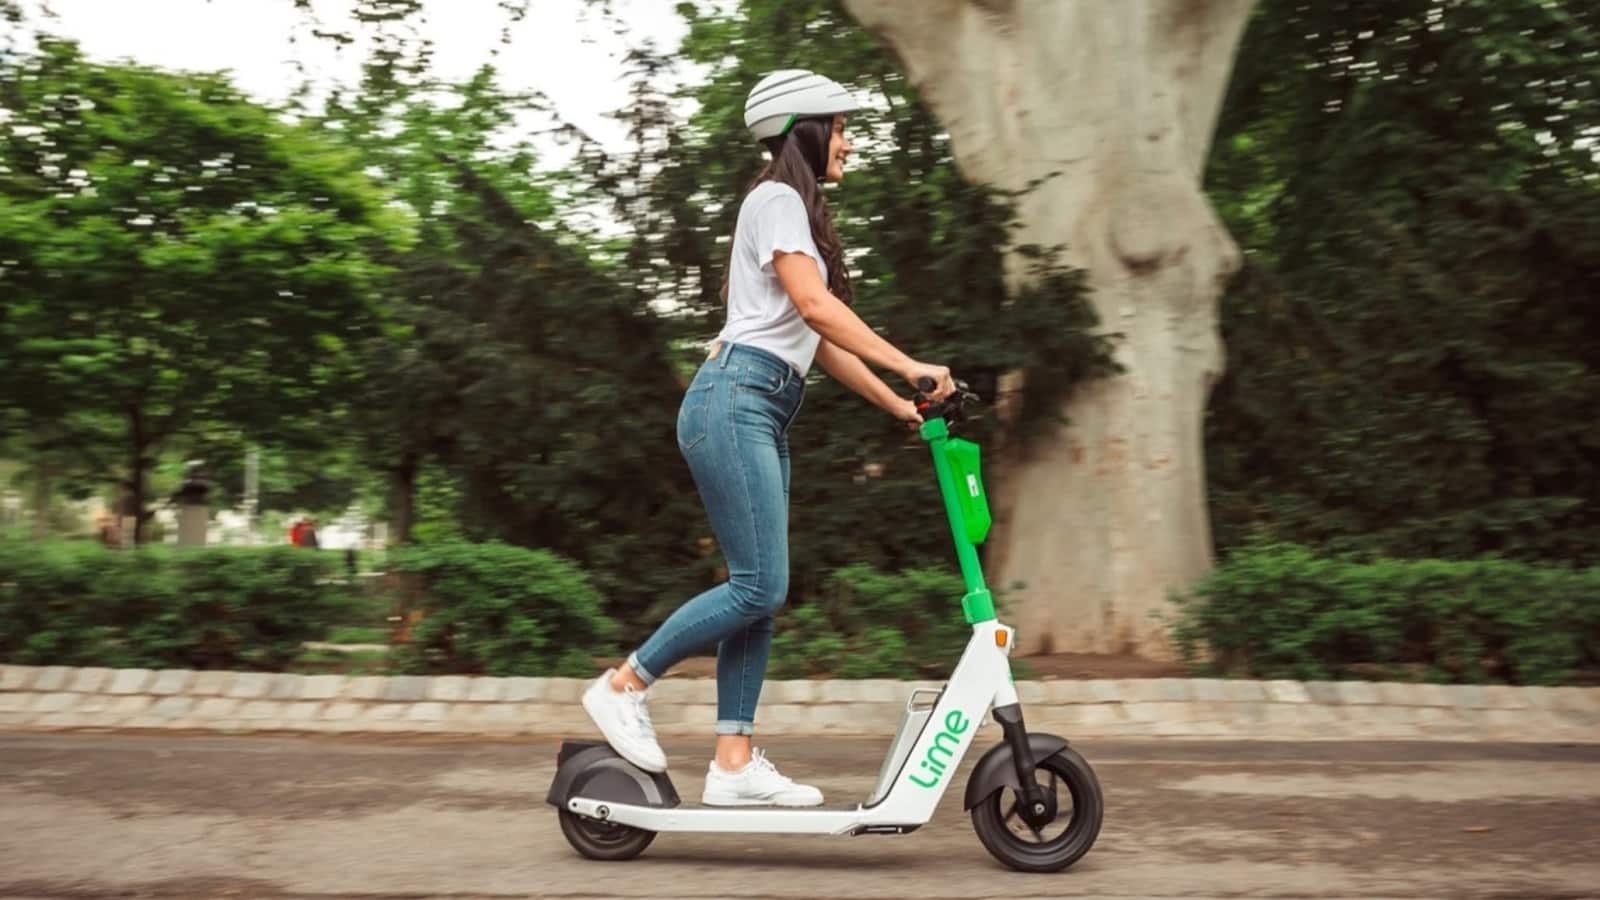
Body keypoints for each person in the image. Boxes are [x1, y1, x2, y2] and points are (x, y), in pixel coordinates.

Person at [581, 69, 956, 807]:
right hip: (736, 399)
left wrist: (897, 405)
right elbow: (816, 309)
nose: (849, 143)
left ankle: (733, 763)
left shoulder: (791, 210)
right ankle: (623, 686)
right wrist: (912, 365)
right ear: (803, 129)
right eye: (839, 129)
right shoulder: (778, 197)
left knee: (758, 591)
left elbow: (818, 340)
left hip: (762, 403)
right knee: (760, 585)